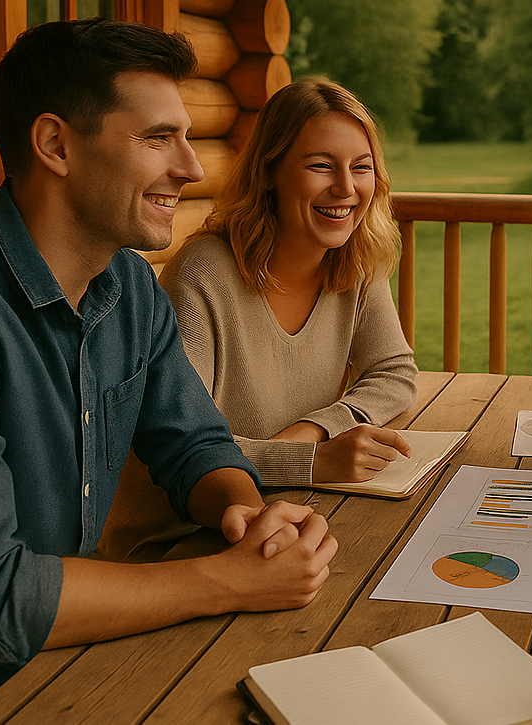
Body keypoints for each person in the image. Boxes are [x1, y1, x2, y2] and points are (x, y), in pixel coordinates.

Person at [0, 19, 337, 724]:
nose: (193, 168)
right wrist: (226, 579)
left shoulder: (130, 288)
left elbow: (195, 444)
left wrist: (245, 513)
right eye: (157, 138)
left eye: (188, 137)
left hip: (59, 670)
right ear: (55, 145)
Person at [97, 79, 417, 560]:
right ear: (270, 171)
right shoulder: (205, 273)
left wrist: (317, 429)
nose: (347, 188)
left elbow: (395, 373)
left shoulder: (356, 259)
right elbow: (178, 446)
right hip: (178, 537)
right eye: (321, 166)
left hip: (278, 512)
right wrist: (309, 461)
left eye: (361, 168)